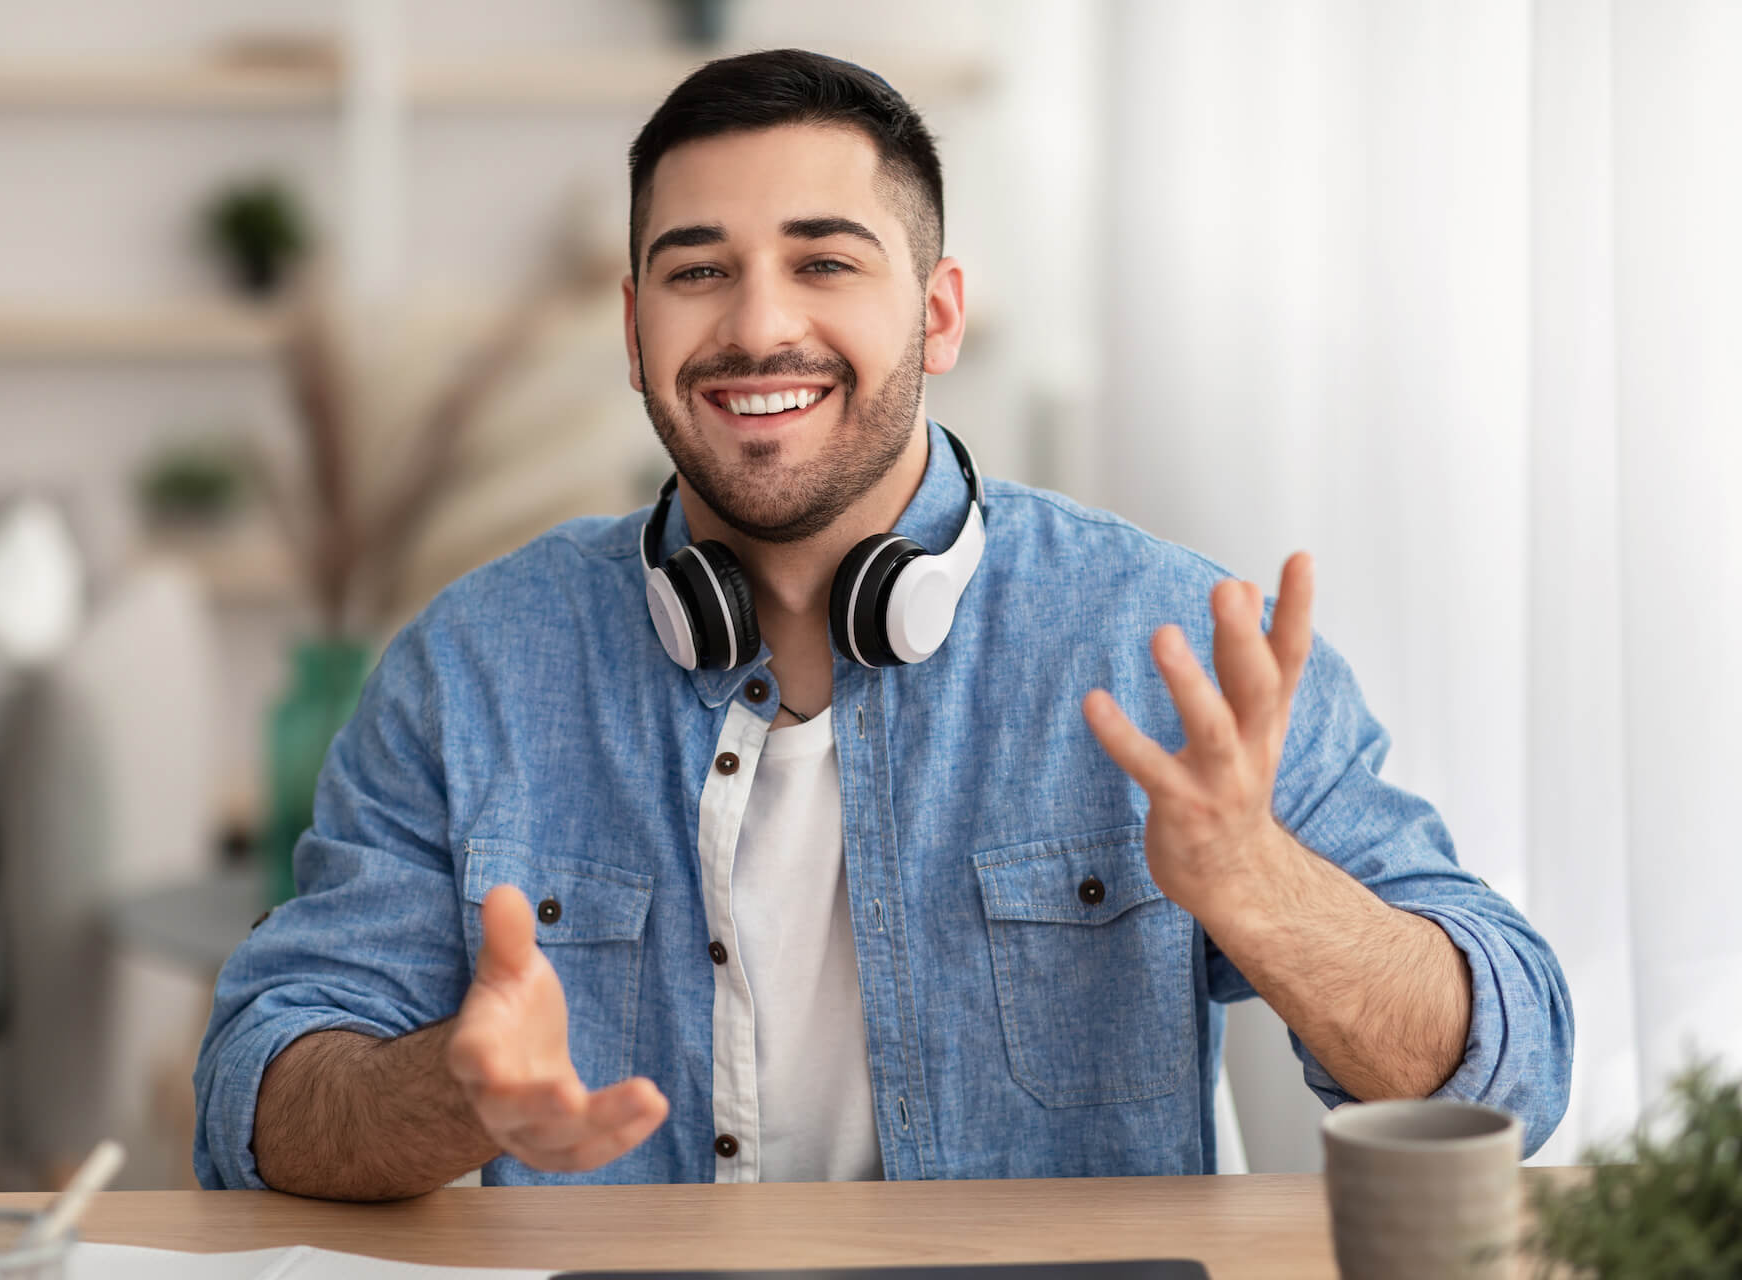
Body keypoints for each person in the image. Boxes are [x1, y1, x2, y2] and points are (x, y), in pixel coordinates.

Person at [194, 48, 1573, 1199]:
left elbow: (1512, 1073)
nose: (758, 326)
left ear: (939, 309)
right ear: (632, 331)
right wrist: (453, 1094)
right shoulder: (471, 668)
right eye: (697, 272)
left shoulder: (1177, 644)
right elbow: (254, 1103)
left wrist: (1265, 890)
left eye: (825, 261)